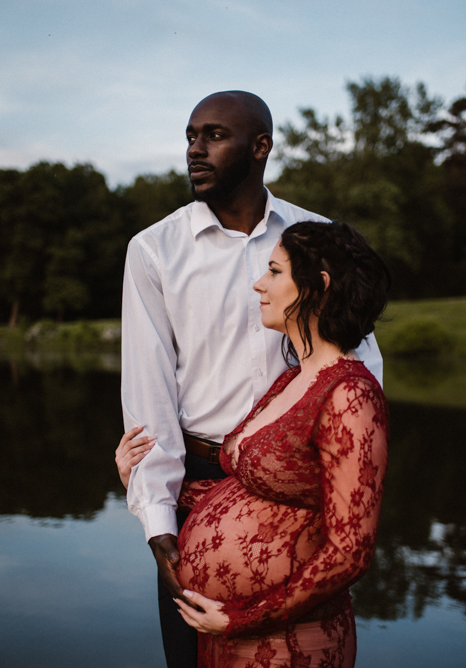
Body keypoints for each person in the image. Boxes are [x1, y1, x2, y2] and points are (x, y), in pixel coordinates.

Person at [118, 91, 383, 668]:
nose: (194, 149)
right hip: (197, 482)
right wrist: (158, 523)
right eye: (190, 135)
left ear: (260, 146)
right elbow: (149, 399)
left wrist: (339, 476)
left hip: (302, 486)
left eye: (213, 135)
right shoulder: (154, 251)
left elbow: (361, 364)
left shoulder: (313, 237)